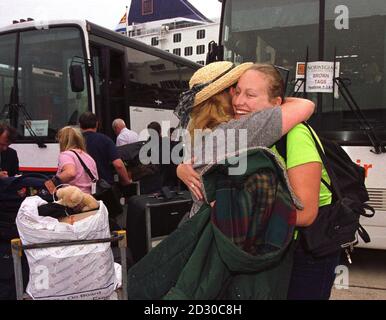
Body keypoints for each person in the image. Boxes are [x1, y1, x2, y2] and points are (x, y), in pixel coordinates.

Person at [178, 62, 337, 300]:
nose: (239, 101)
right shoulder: (243, 134)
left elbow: (306, 214)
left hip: (307, 249)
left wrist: (232, 213)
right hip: (271, 245)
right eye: (236, 91)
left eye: (249, 94)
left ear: (276, 104)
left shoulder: (294, 134)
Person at [79, 112, 131, 187]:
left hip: (82, 188)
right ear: (97, 124)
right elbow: (118, 165)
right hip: (104, 187)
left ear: (80, 125)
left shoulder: (75, 142)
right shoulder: (105, 140)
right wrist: (127, 182)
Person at [55, 126, 98, 194]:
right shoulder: (88, 157)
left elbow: (70, 173)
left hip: (72, 200)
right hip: (88, 199)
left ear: (62, 141)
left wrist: (53, 182)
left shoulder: (66, 155)